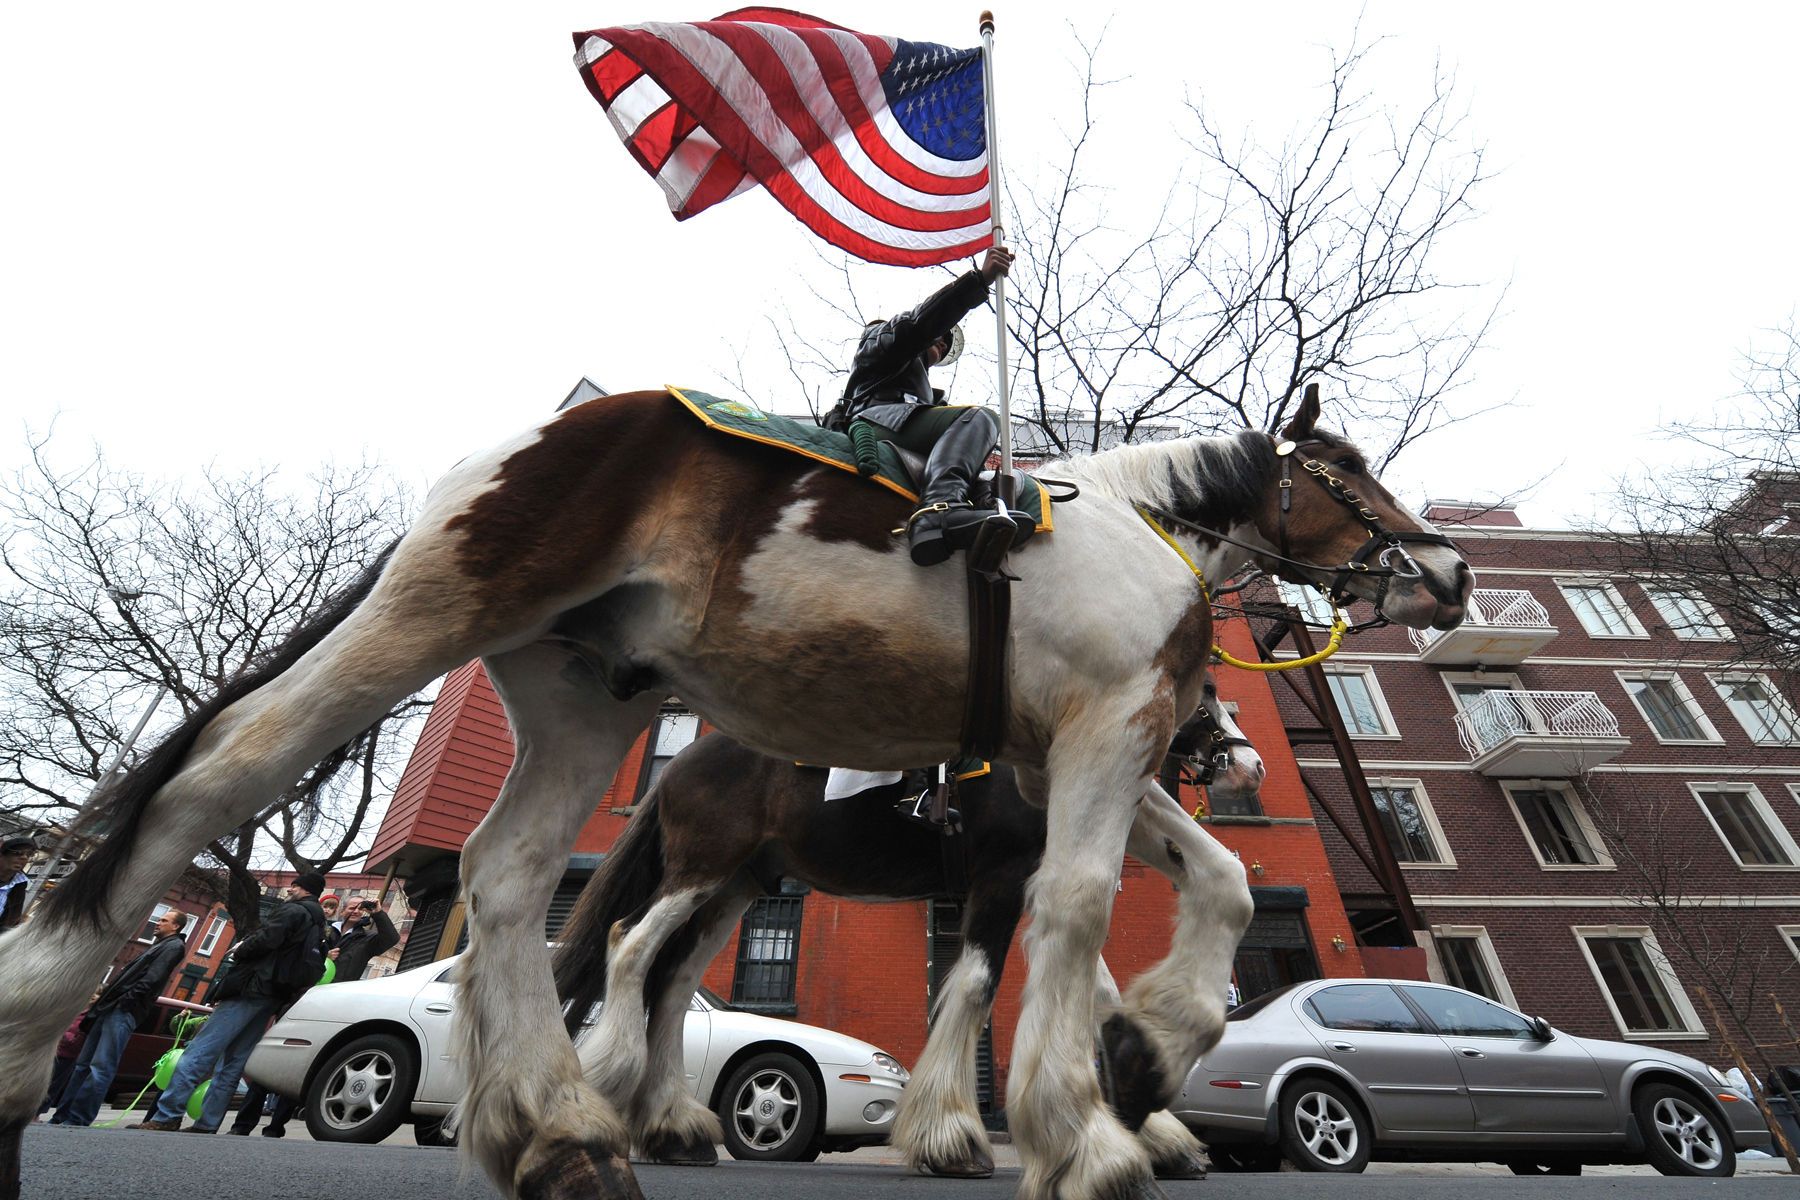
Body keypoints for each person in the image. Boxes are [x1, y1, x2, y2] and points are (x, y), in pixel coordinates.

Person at [836, 245, 1031, 566]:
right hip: (879, 421)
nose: (943, 341)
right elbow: (916, 325)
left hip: (904, 424)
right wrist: (978, 282)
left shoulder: (931, 399)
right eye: (939, 335)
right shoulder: (880, 340)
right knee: (979, 419)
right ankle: (938, 512)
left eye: (947, 342)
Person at [131, 873, 328, 1133]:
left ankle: (167, 1115)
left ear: (299, 887)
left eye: (293, 886)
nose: (289, 890)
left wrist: (241, 948)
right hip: (274, 995)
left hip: (250, 988)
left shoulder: (292, 910)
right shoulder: (318, 922)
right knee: (234, 1062)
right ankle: (208, 1122)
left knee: (199, 1052)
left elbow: (267, 940)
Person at [50, 909, 190, 1126]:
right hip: (109, 1009)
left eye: (164, 920)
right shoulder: (159, 946)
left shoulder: (173, 947)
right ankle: (62, 1117)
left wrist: (124, 1002)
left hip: (122, 1011)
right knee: (82, 1066)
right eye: (159, 919)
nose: (158, 922)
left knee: (100, 1067)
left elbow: (152, 979)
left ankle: (78, 1119)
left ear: (176, 927)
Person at [332, 898, 398, 982]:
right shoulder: (325, 930)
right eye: (352, 908)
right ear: (342, 911)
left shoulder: (367, 938)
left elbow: (391, 939)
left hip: (340, 990)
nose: (356, 911)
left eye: (360, 909)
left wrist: (378, 913)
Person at [1, 833, 37, 929]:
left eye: (29, 855)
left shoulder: (20, 885)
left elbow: (11, 922)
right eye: (17, 853)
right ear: (2, 856)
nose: (24, 857)